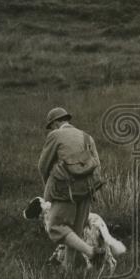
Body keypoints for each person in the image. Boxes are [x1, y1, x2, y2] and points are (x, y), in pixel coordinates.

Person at [37, 106, 104, 270]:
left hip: (65, 191)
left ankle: (91, 252)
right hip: (87, 191)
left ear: (56, 122)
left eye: (52, 125)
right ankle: (68, 271)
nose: (52, 128)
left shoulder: (55, 135)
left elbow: (42, 165)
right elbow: (97, 167)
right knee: (75, 231)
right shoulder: (87, 137)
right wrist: (92, 190)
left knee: (55, 227)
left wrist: (49, 187)